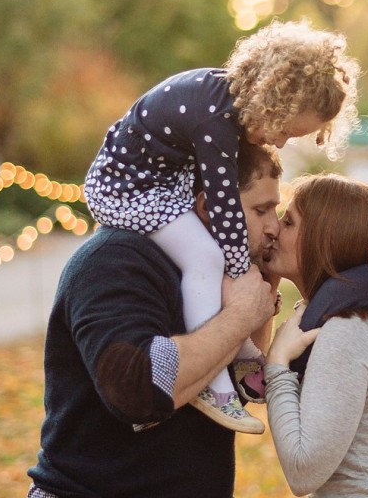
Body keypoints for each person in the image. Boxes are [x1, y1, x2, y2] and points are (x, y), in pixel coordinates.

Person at [83, 19, 359, 431]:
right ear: (273, 99)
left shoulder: (222, 106)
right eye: (284, 130)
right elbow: (224, 205)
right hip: (128, 186)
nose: (280, 142)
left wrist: (254, 294)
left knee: (214, 258)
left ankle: (229, 370)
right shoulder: (117, 261)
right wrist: (241, 276)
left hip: (159, 181)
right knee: (206, 257)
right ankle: (213, 388)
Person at [27, 141, 283, 498]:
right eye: (261, 210)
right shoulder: (114, 261)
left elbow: (241, 387)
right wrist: (239, 317)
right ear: (209, 205)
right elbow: (140, 389)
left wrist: (264, 287)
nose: (274, 227)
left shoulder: (213, 274)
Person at [264, 174, 368, 498]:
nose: (273, 229)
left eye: (289, 222)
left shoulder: (348, 331)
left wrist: (277, 366)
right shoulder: (349, 320)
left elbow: (303, 472)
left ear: (325, 239)